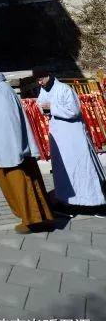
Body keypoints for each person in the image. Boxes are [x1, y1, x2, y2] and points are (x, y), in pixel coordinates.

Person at [0, 59, 54, 233]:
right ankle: (38, 217)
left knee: (21, 182)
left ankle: (33, 220)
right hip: (4, 147)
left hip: (11, 148)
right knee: (20, 182)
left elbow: (7, 119)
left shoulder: (1, 90)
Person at [33, 66, 106, 213]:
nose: (39, 82)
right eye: (37, 80)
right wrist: (43, 108)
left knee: (83, 168)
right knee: (63, 169)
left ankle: (96, 202)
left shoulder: (64, 89)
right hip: (59, 136)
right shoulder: (43, 90)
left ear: (48, 75)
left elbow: (74, 110)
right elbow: (41, 105)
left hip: (73, 136)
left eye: (41, 78)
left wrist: (52, 107)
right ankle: (66, 201)